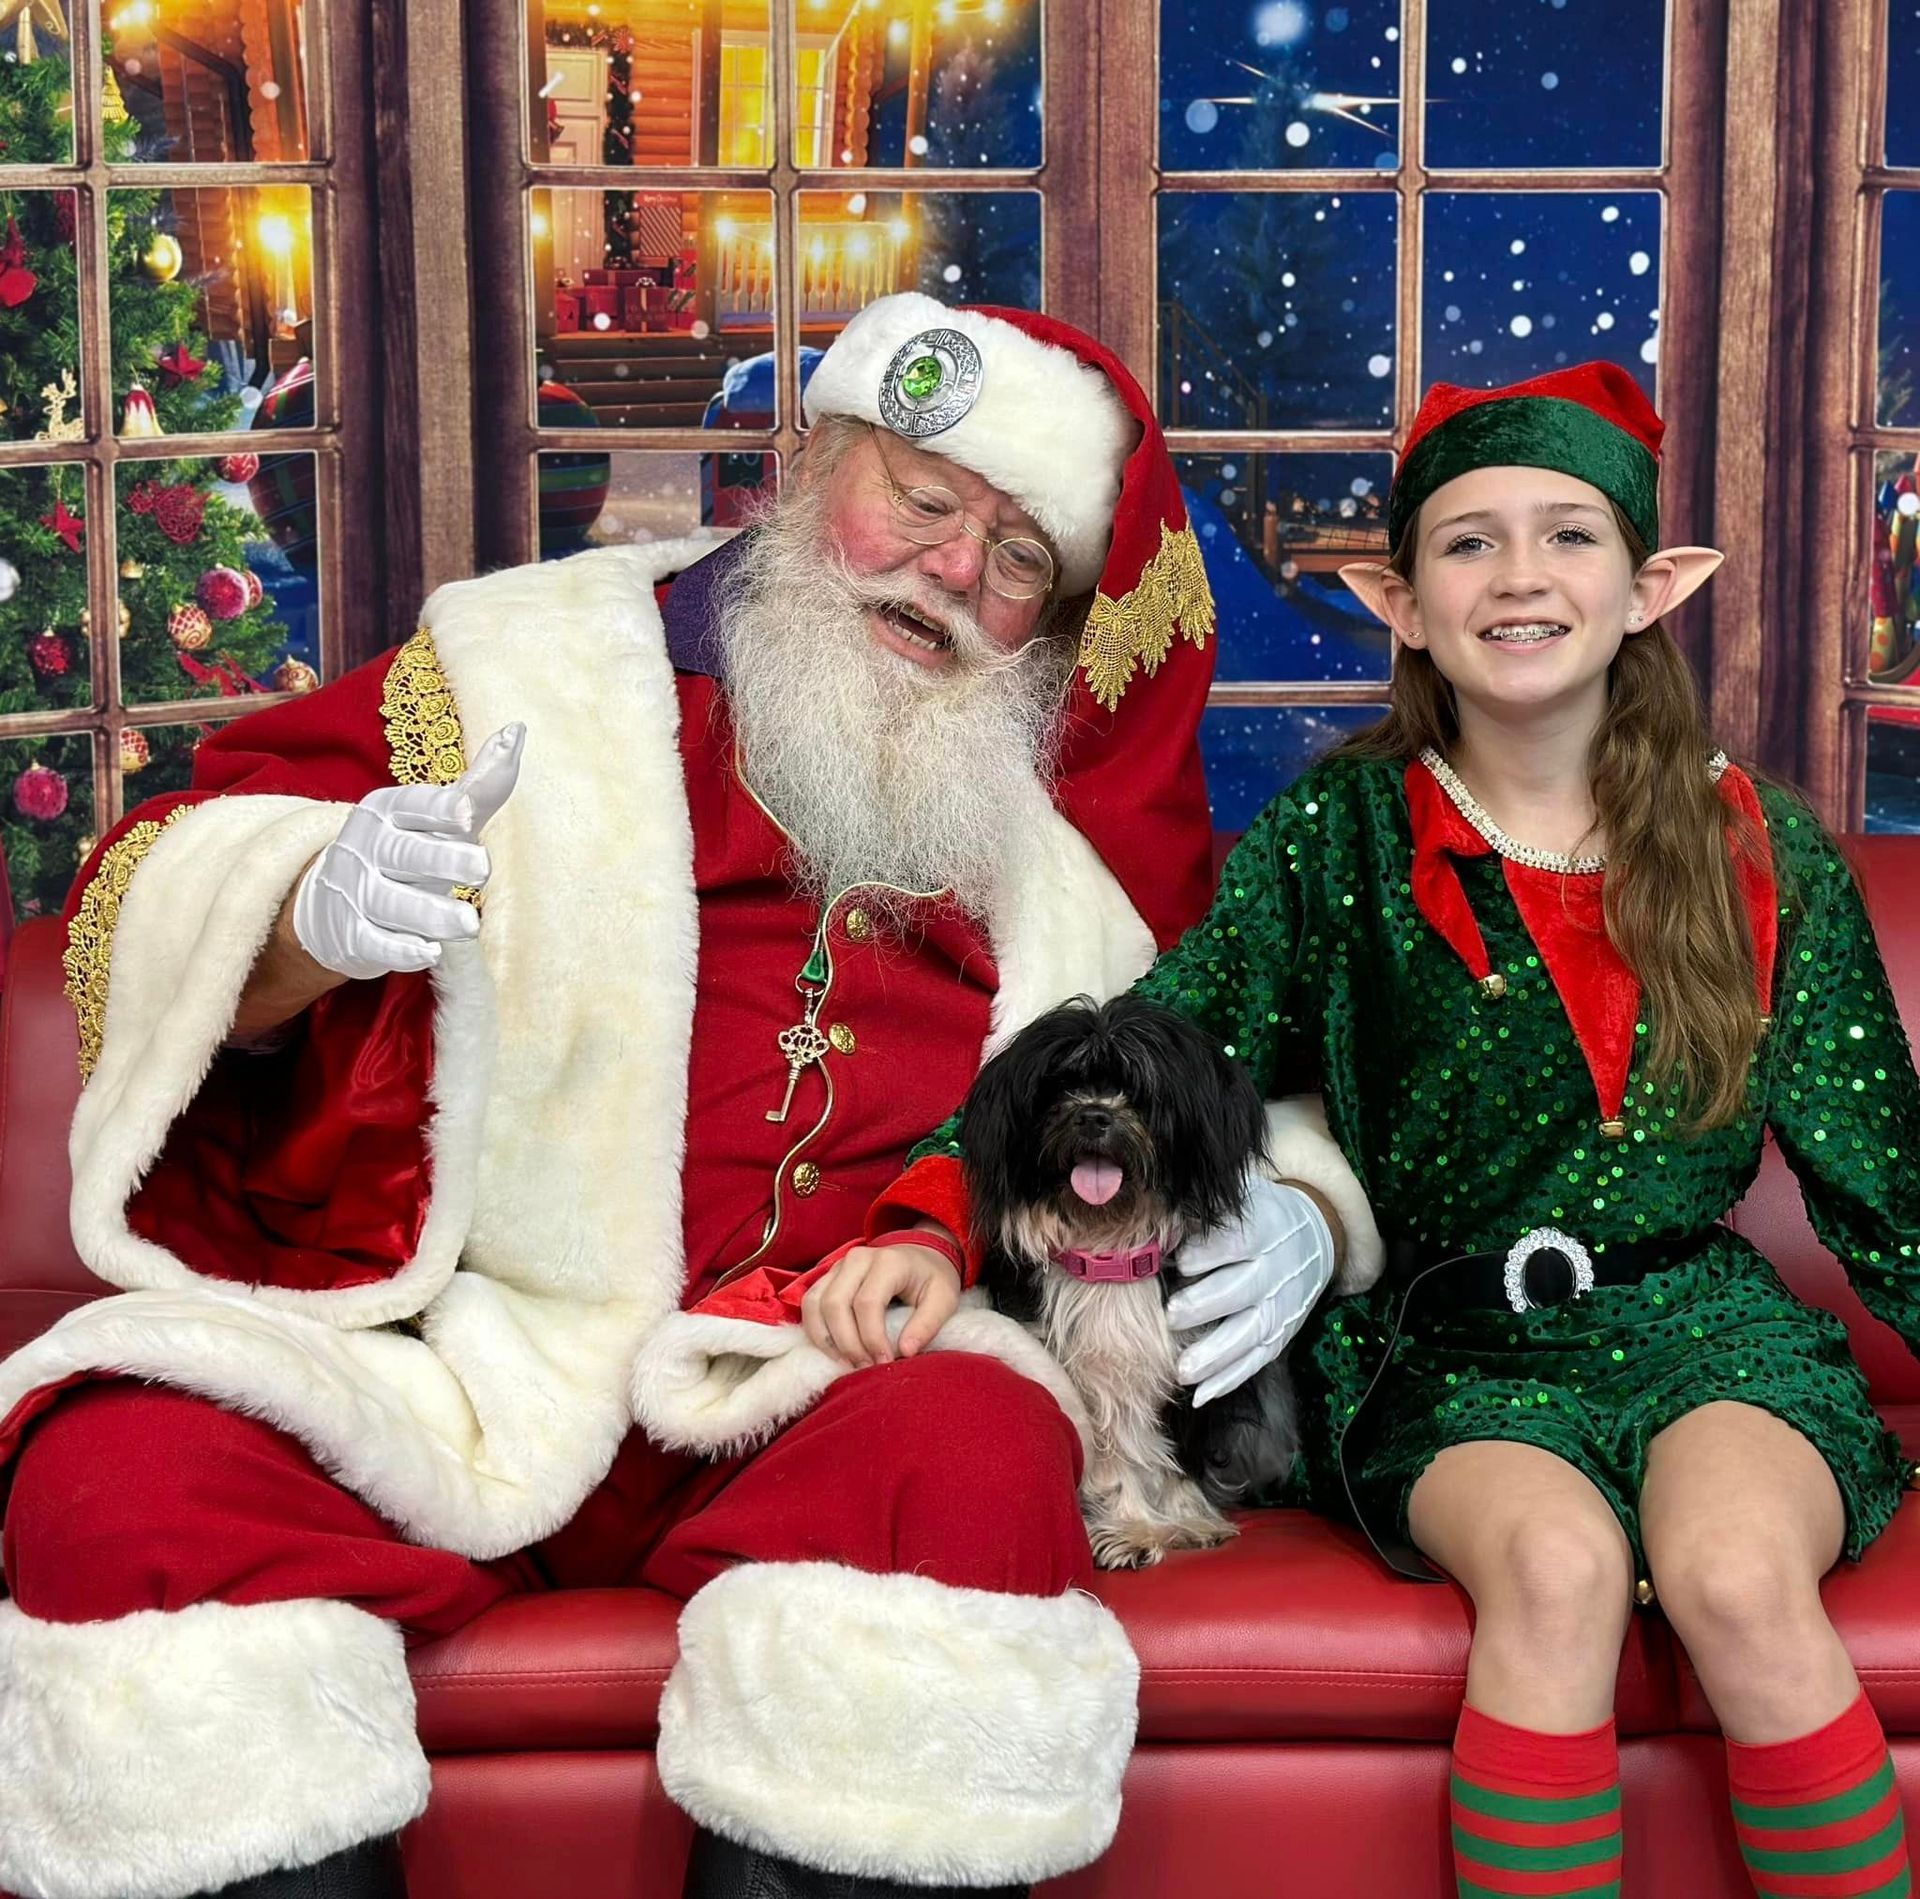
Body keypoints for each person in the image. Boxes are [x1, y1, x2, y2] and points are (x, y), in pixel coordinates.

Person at [0, 294, 1368, 1899]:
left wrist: (1298, 1204)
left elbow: (1236, 1038)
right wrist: (306, 913)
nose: (946, 573)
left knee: (981, 1451)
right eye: (923, 502)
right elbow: (164, 879)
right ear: (810, 465)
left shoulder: (1066, 850)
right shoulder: (524, 663)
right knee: (124, 1476)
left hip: (838, 1363)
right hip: (466, 1345)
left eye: (1015, 562)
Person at [922, 362, 1920, 1898]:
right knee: (1557, 1567)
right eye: (1469, 544)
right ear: (1399, 598)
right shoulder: (1341, 834)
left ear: (1652, 586)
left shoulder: (1758, 843)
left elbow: (1882, 1184)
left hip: (1703, 1327)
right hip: (1451, 1347)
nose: (1521, 577)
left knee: (1735, 1574)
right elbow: (1152, 1053)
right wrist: (930, 1207)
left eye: (1568, 537)